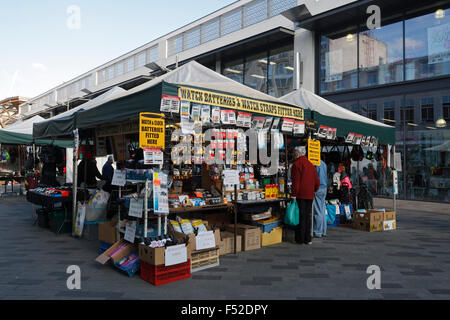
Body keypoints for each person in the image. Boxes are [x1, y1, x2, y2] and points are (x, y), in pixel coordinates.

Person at [291, 146, 320, 245]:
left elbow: (296, 182)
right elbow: (317, 181)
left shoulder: (296, 164)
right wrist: (313, 190)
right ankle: (308, 239)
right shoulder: (311, 164)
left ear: (297, 154)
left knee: (300, 217)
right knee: (308, 216)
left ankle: (300, 239)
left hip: (300, 194)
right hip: (310, 194)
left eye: (294, 153)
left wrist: (294, 194)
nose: (294, 155)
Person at [313, 157, 328, 238]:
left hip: (318, 188)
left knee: (317, 211)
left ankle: (317, 231)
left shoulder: (315, 164)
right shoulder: (323, 163)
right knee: (322, 210)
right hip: (324, 188)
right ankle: (323, 230)